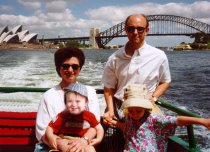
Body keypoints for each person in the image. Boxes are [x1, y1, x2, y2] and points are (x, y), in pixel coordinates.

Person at [102, 13, 171, 150]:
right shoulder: (115, 58)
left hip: (145, 112)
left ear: (147, 30)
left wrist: (153, 98)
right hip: (118, 110)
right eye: (130, 29)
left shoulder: (159, 56)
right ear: (125, 30)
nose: (135, 32)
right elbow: (108, 87)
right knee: (112, 147)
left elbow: (165, 81)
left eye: (140, 28)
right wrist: (110, 109)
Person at [104, 84, 210, 152]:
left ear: (145, 108)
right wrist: (112, 122)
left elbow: (177, 120)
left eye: (138, 111)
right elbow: (127, 128)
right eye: (131, 111)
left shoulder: (153, 119)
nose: (134, 114)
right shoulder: (129, 117)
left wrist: (202, 121)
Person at [35, 46, 100, 152]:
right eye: (65, 66)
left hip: (82, 144)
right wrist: (60, 143)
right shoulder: (48, 96)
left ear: (80, 69)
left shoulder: (90, 92)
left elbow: (95, 124)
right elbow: (41, 132)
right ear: (58, 68)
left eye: (75, 67)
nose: (70, 70)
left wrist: (84, 140)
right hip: (54, 145)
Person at [46, 83, 104, 152]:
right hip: (66, 139)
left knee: (90, 149)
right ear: (65, 103)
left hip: (82, 141)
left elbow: (99, 128)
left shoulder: (89, 115)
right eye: (70, 101)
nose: (73, 105)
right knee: (62, 143)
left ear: (86, 102)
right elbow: (50, 127)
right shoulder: (63, 115)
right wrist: (50, 137)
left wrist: (99, 139)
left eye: (78, 101)